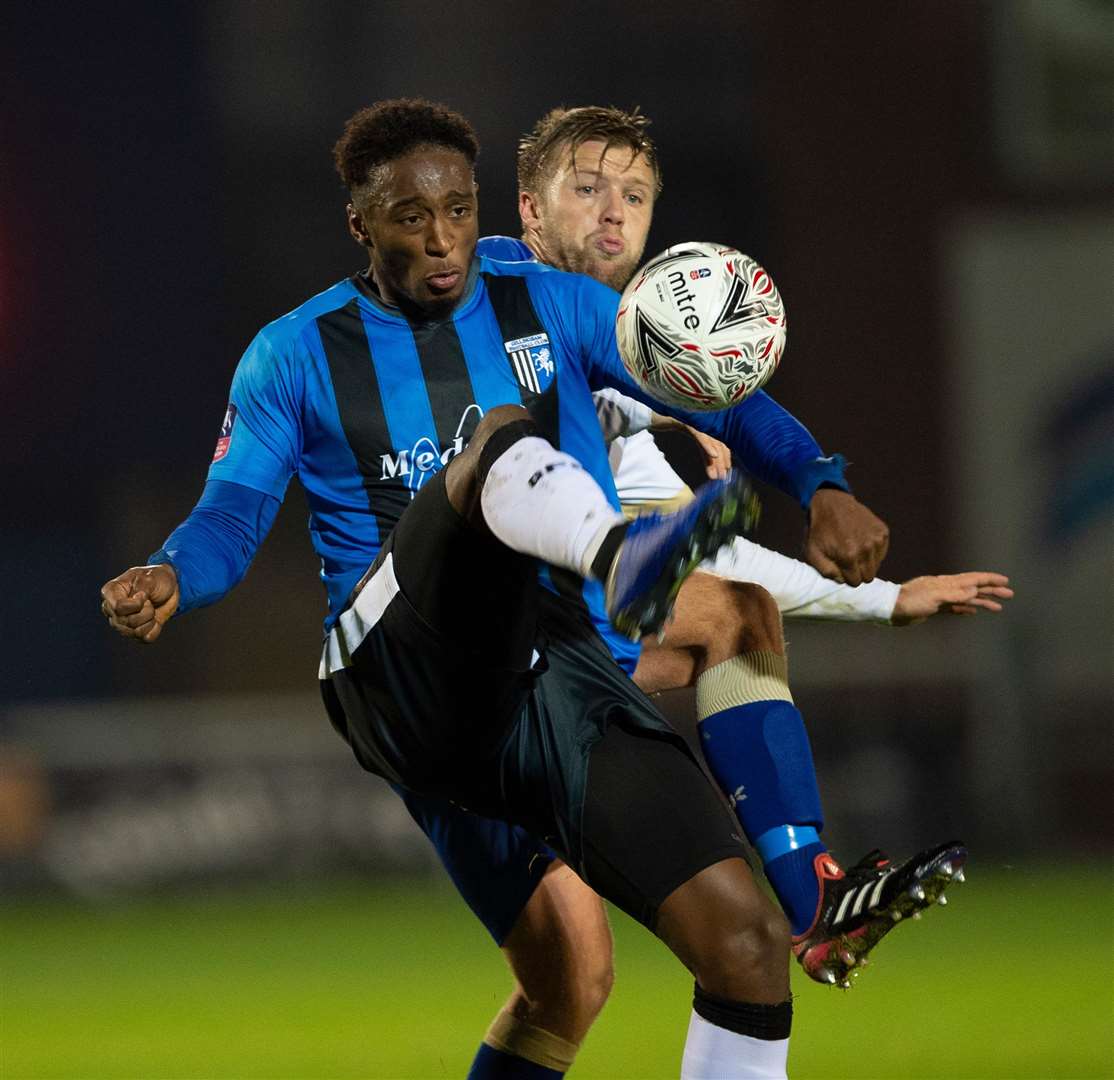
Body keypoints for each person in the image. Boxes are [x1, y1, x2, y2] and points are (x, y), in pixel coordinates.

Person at [98, 101, 999, 1079]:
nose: (441, 238)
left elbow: (718, 393)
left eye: (456, 209)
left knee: (694, 960)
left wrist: (820, 486)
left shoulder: (553, 304)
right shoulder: (295, 354)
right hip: (405, 675)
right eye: (409, 216)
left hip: (554, 670)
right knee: (495, 443)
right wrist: (174, 573)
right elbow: (232, 516)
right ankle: (622, 558)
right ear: (360, 222)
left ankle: (803, 897)